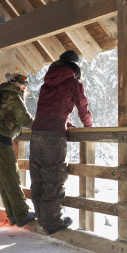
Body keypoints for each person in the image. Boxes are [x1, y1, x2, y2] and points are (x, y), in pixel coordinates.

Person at [29, 50, 94, 234]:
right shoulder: (74, 83)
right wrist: (90, 127)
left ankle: (42, 218)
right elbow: (83, 107)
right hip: (53, 135)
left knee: (38, 175)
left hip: (37, 132)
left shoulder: (46, 84)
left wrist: (64, 121)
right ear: (74, 67)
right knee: (54, 176)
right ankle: (52, 223)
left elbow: (49, 110)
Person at [0, 72, 35, 227]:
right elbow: (25, 119)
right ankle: (22, 214)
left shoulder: (0, 95)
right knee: (11, 179)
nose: (25, 84)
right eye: (22, 81)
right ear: (13, 82)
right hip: (0, 142)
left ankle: (13, 215)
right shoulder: (13, 96)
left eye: (26, 81)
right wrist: (44, 123)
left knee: (4, 180)